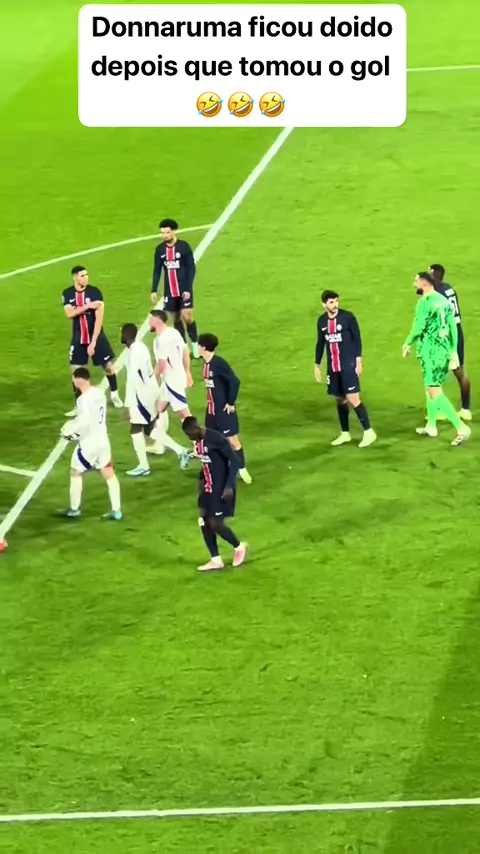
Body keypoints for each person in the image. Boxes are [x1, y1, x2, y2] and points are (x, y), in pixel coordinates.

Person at [403, 272, 470, 446]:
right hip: (444, 351)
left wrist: (407, 342)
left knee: (434, 391)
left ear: (424, 283)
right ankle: (431, 425)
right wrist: (453, 351)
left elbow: (418, 327)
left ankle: (461, 427)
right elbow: (453, 326)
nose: (414, 284)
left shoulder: (424, 303)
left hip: (431, 352)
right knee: (431, 386)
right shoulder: (443, 300)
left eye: (416, 281)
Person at [121, 323, 190, 475]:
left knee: (135, 428)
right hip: (150, 391)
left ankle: (143, 466)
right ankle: (180, 450)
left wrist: (128, 405)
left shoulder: (133, 353)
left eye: (122, 333)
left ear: (126, 335)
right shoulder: (140, 347)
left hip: (141, 396)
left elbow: (133, 380)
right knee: (148, 428)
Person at [182, 416, 248, 572]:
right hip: (207, 487)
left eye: (190, 434)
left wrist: (229, 486)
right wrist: (201, 482)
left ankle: (239, 547)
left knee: (216, 524)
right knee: (203, 521)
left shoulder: (216, 438)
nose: (190, 438)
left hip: (221, 488)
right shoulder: (199, 441)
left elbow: (234, 460)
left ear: (196, 428)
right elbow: (207, 463)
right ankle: (215, 559)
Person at [314, 290, 377, 447]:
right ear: (324, 304)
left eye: (336, 301)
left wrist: (358, 361)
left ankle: (369, 432)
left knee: (353, 398)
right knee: (339, 399)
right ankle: (345, 433)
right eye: (331, 302)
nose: (335, 305)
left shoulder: (348, 317)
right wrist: (317, 365)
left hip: (348, 365)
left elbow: (357, 339)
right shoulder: (322, 321)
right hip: (333, 367)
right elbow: (320, 343)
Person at [60, 368, 122, 518]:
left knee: (75, 472)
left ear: (78, 380)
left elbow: (84, 422)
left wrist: (70, 433)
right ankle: (116, 510)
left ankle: (74, 509)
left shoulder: (83, 399)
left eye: (74, 379)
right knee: (108, 473)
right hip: (103, 440)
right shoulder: (99, 393)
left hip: (89, 443)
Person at [62, 265, 123, 416]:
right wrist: (88, 306)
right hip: (78, 338)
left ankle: (114, 394)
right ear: (75, 277)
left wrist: (93, 342)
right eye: (82, 275)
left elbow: (99, 319)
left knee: (108, 367)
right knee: (76, 371)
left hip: (96, 336)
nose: (85, 278)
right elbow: (69, 314)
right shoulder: (68, 293)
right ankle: (79, 405)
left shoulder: (95, 292)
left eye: (86, 275)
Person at [198, 333, 252, 485]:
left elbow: (234, 381)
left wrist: (230, 402)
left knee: (232, 441)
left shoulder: (219, 363)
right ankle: (213, 469)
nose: (197, 348)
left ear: (203, 347)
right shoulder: (206, 364)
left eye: (198, 345)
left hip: (223, 411)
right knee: (210, 440)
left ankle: (242, 469)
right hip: (211, 411)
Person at [150, 218, 199, 358]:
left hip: (184, 289)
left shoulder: (183, 247)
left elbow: (191, 268)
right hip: (169, 291)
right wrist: (154, 289)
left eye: (167, 232)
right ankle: (184, 350)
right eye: (162, 233)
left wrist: (188, 289)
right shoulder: (160, 250)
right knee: (176, 319)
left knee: (187, 317)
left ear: (174, 231)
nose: (164, 236)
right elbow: (157, 270)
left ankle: (195, 348)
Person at [428, 263, 471, 420]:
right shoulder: (448, 288)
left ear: (434, 275)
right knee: (460, 372)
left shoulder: (437, 293)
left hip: (446, 334)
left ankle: (439, 411)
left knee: (434, 374)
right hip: (457, 331)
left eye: (429, 273)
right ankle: (465, 409)